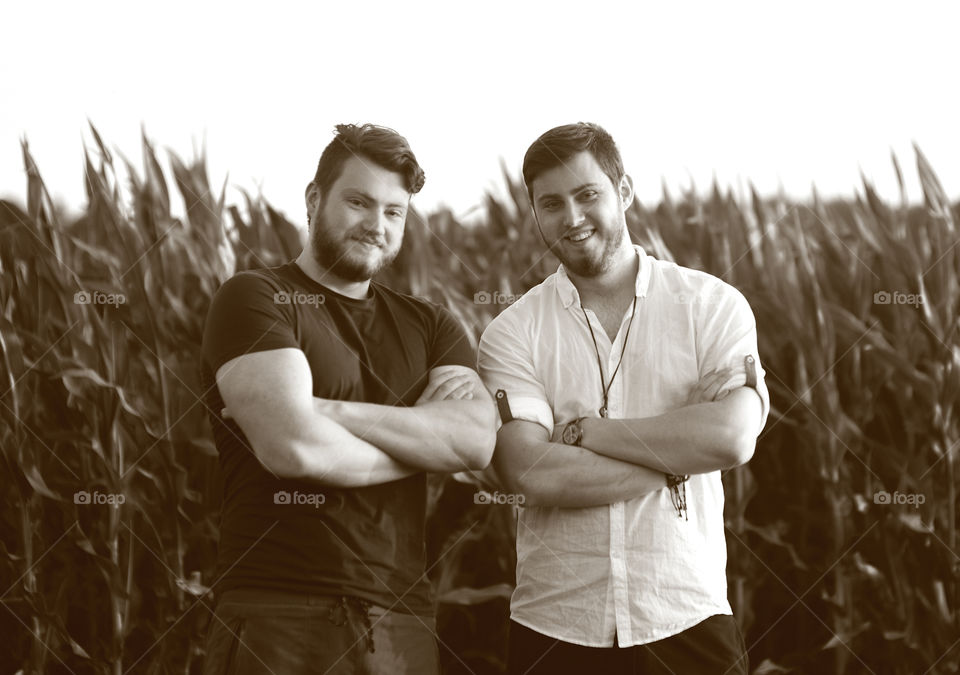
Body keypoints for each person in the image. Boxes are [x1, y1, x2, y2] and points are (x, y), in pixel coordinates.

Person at [200, 123, 497, 674]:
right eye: (358, 202)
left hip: (400, 624)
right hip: (278, 615)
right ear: (314, 200)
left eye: (393, 212)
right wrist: (422, 437)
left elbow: (476, 444)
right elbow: (295, 450)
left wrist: (325, 410)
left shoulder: (431, 326)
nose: (375, 225)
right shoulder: (256, 298)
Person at [477, 122, 769, 674]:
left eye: (588, 194)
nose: (573, 217)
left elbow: (730, 437)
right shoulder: (513, 332)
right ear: (535, 214)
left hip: (684, 614)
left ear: (625, 191)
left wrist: (587, 433)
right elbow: (531, 473)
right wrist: (679, 459)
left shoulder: (710, 305)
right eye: (552, 203)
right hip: (555, 624)